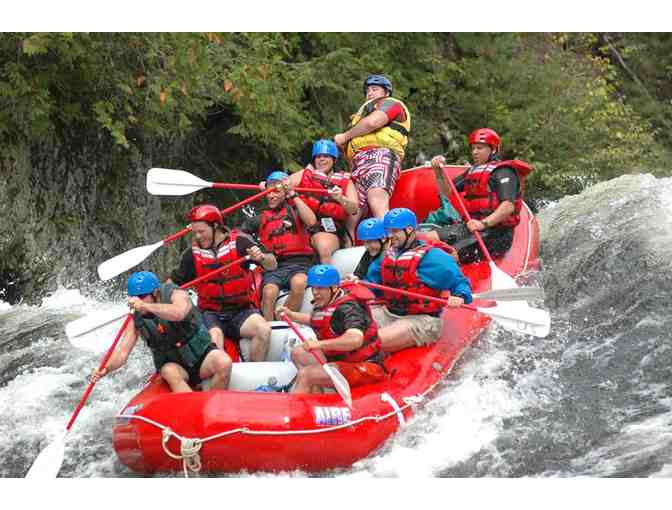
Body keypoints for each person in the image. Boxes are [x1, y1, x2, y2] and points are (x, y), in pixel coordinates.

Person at [92, 271, 232, 392]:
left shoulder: (176, 293)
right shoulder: (136, 317)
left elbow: (179, 313)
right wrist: (106, 368)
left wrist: (146, 306)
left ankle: (213, 403)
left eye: (141, 296)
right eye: (133, 297)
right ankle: (193, 408)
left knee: (224, 362)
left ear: (155, 292)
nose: (136, 301)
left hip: (201, 356)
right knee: (169, 372)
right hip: (176, 365)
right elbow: (123, 351)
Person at [170, 204, 275, 362]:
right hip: (210, 314)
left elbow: (272, 264)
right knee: (215, 342)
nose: (197, 237)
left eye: (201, 231)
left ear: (216, 226)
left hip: (241, 310)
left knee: (263, 329)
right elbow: (172, 284)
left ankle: (254, 372)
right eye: (195, 232)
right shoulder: (191, 255)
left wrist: (261, 258)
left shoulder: (240, 242)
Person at [367, 208, 473, 353]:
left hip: (422, 319)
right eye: (388, 231)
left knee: (373, 341)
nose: (391, 236)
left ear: (409, 229)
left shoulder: (433, 257)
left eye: (395, 231)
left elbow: (460, 283)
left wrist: (460, 296)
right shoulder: (387, 256)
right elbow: (371, 286)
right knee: (346, 327)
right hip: (389, 312)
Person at [428, 128, 533, 264]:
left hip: (497, 233)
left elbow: (508, 206)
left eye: (479, 148)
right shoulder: (472, 172)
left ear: (493, 150)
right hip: (471, 227)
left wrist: (483, 224)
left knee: (447, 254)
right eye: (473, 148)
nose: (474, 152)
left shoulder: (504, 172)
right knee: (427, 238)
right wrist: (438, 172)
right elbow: (446, 192)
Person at [278, 264, 387, 395]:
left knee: (306, 375)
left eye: (320, 288)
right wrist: (291, 315)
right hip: (342, 361)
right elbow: (317, 320)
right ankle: (318, 395)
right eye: (313, 288)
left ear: (334, 288)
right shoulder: (328, 302)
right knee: (298, 353)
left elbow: (355, 339)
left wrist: (319, 344)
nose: (315, 293)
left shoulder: (349, 308)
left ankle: (301, 404)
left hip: (367, 367)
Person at [242, 171, 317, 321]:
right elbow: (239, 234)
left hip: (300, 264)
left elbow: (311, 221)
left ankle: (282, 319)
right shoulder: (260, 218)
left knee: (299, 283)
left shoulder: (295, 210)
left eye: (276, 192)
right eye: (268, 192)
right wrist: (255, 248)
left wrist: (292, 193)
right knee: (269, 292)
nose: (271, 196)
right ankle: (269, 326)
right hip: (274, 267)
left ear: (285, 193)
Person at [333, 74, 411, 220]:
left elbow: (373, 123)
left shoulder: (391, 103)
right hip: (358, 163)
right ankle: (352, 235)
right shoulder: (358, 119)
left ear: (386, 92)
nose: (370, 93)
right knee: (352, 213)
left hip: (380, 154)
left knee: (376, 197)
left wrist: (344, 136)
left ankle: (388, 232)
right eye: (368, 91)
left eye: (374, 89)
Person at [286, 139, 359, 263]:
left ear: (334, 160)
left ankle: (326, 275)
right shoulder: (305, 174)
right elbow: (284, 184)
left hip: (331, 228)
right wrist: (267, 184)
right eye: (318, 156)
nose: (321, 159)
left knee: (324, 245)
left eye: (326, 156)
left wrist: (340, 198)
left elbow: (354, 209)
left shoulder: (345, 180)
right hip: (303, 225)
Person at [349, 217, 388, 282]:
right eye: (364, 242)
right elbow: (359, 273)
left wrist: (361, 281)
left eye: (369, 242)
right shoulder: (369, 253)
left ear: (383, 239)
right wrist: (355, 277)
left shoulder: (388, 256)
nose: (366, 246)